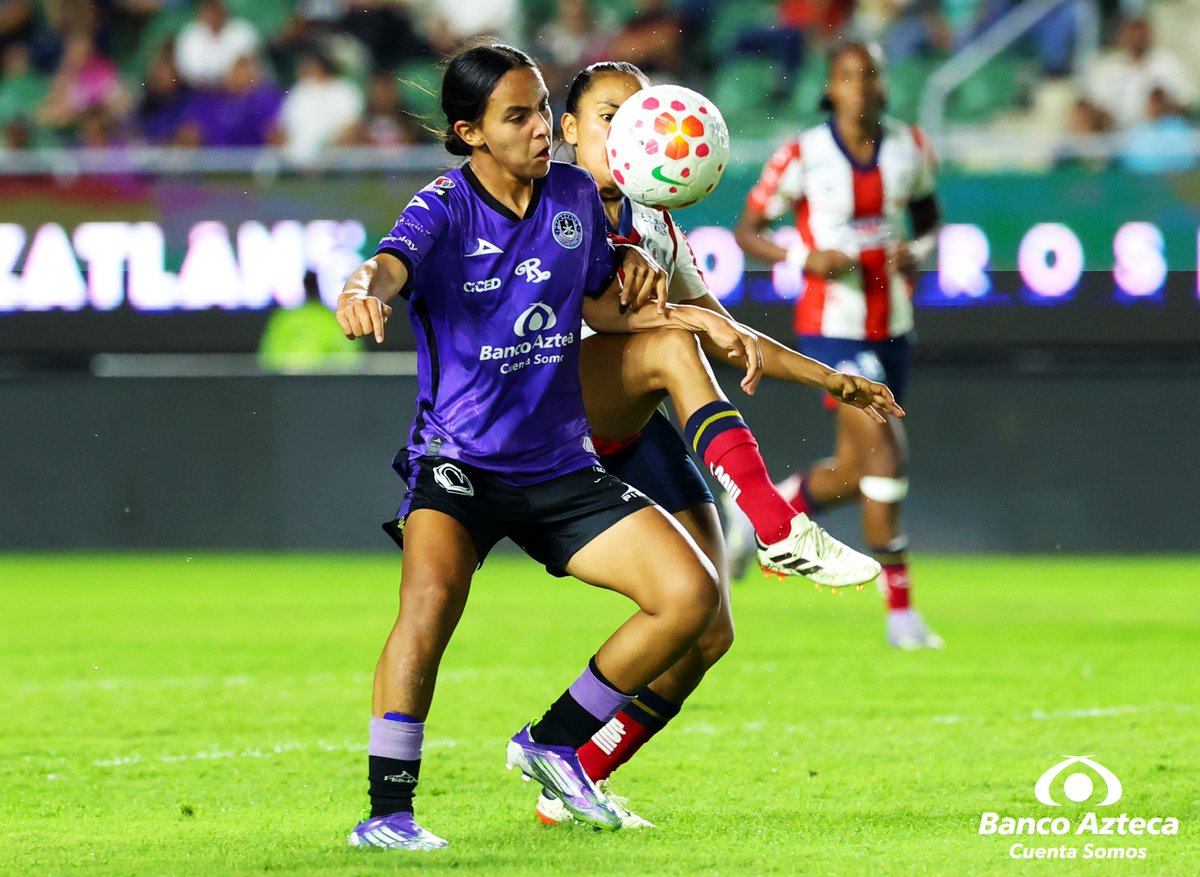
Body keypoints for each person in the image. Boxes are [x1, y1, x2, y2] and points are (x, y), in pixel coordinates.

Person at [337, 43, 776, 851]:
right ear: (470, 132)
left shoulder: (574, 194)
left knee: (691, 597)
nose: (542, 128)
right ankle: (387, 813)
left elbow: (609, 313)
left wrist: (695, 316)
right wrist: (362, 290)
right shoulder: (441, 208)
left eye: (542, 108)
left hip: (560, 465)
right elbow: (388, 266)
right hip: (459, 463)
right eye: (518, 116)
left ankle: (552, 739)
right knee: (429, 608)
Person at [531, 60, 902, 829]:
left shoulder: (656, 223)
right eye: (608, 115)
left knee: (709, 632)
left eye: (641, 112)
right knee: (672, 348)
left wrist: (835, 380)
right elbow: (603, 317)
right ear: (568, 131)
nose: (630, 129)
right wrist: (686, 325)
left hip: (628, 425)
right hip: (550, 420)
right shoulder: (550, 200)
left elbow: (728, 334)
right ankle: (774, 523)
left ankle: (573, 778)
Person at [731, 41, 944, 651]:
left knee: (855, 472)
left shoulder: (911, 146)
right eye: (847, 75)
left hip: (894, 325)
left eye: (870, 73)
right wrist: (805, 257)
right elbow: (748, 230)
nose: (860, 85)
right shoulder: (803, 153)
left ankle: (757, 518)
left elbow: (930, 219)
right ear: (831, 87)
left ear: (882, 85)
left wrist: (918, 252)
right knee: (887, 454)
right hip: (833, 327)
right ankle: (901, 611)